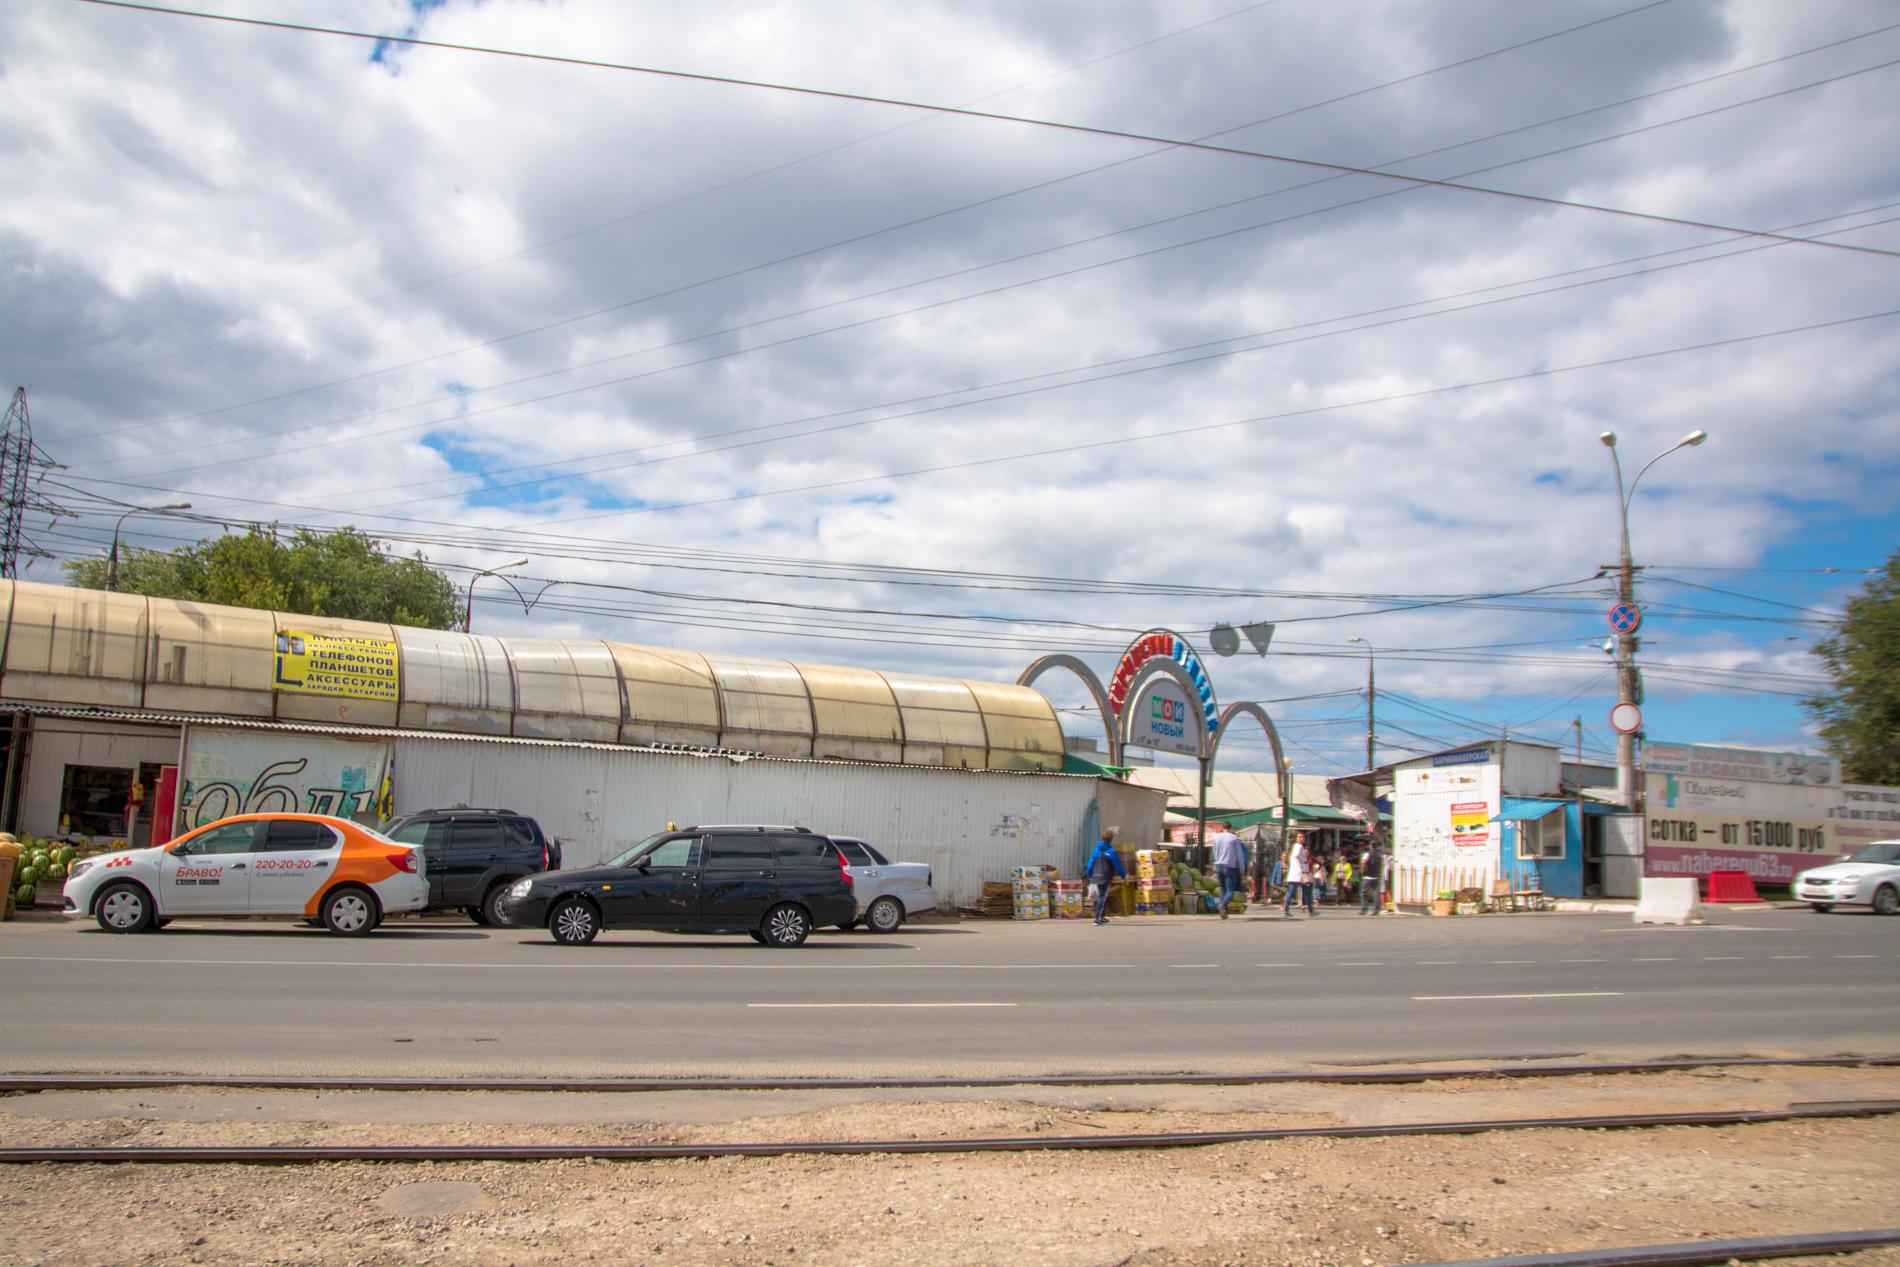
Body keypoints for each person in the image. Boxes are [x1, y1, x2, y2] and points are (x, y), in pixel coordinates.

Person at [1085, 828, 1125, 925]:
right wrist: (1123, 875)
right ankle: (1098, 918)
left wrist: (1089, 874)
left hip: (1095, 876)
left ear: (1102, 838)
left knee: (1101, 897)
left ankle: (1101, 917)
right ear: (1111, 840)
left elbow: (1090, 864)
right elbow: (1118, 866)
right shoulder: (1112, 852)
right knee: (1102, 897)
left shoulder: (1096, 850)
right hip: (1105, 877)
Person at [1207, 826, 1247, 920]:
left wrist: (1215, 865)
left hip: (1219, 865)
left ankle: (1223, 910)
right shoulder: (1234, 838)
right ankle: (1223, 905)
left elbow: (1214, 852)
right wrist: (1242, 869)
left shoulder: (1217, 837)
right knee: (1230, 890)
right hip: (1230, 866)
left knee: (1222, 887)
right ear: (1231, 828)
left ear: (1222, 828)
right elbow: (1239, 855)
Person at [1282, 832, 1317, 918]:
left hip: (1293, 873)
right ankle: (1311, 911)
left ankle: (1286, 910)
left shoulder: (1294, 847)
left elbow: (1293, 857)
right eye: (1300, 837)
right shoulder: (1299, 846)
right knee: (1306, 892)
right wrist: (1304, 860)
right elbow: (1296, 856)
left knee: (1291, 892)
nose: (1302, 838)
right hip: (1299, 873)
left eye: (1303, 837)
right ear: (1296, 839)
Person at [1359, 839, 1387, 915]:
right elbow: (1381, 865)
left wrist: (1362, 870)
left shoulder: (1367, 854)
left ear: (1370, 846)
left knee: (1363, 893)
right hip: (1376, 876)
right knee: (1376, 893)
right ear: (1377, 846)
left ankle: (1364, 909)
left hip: (1367, 876)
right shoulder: (1379, 855)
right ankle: (1376, 910)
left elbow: (1363, 862)